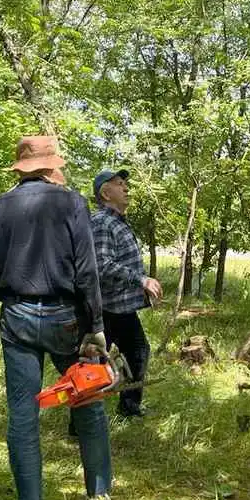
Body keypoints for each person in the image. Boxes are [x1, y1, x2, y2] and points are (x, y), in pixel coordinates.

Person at [0, 135, 111, 500]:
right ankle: (98, 497)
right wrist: (95, 327)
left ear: (21, 167)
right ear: (50, 166)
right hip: (68, 320)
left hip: (18, 319)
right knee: (87, 403)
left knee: (23, 417)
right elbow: (87, 270)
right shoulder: (72, 202)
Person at [89, 168, 162, 418]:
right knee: (94, 365)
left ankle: (128, 408)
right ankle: (85, 420)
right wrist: (141, 280)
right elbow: (102, 265)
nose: (126, 188)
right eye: (120, 184)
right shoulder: (101, 222)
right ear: (106, 193)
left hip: (120, 308)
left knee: (137, 352)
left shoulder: (117, 221)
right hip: (104, 309)